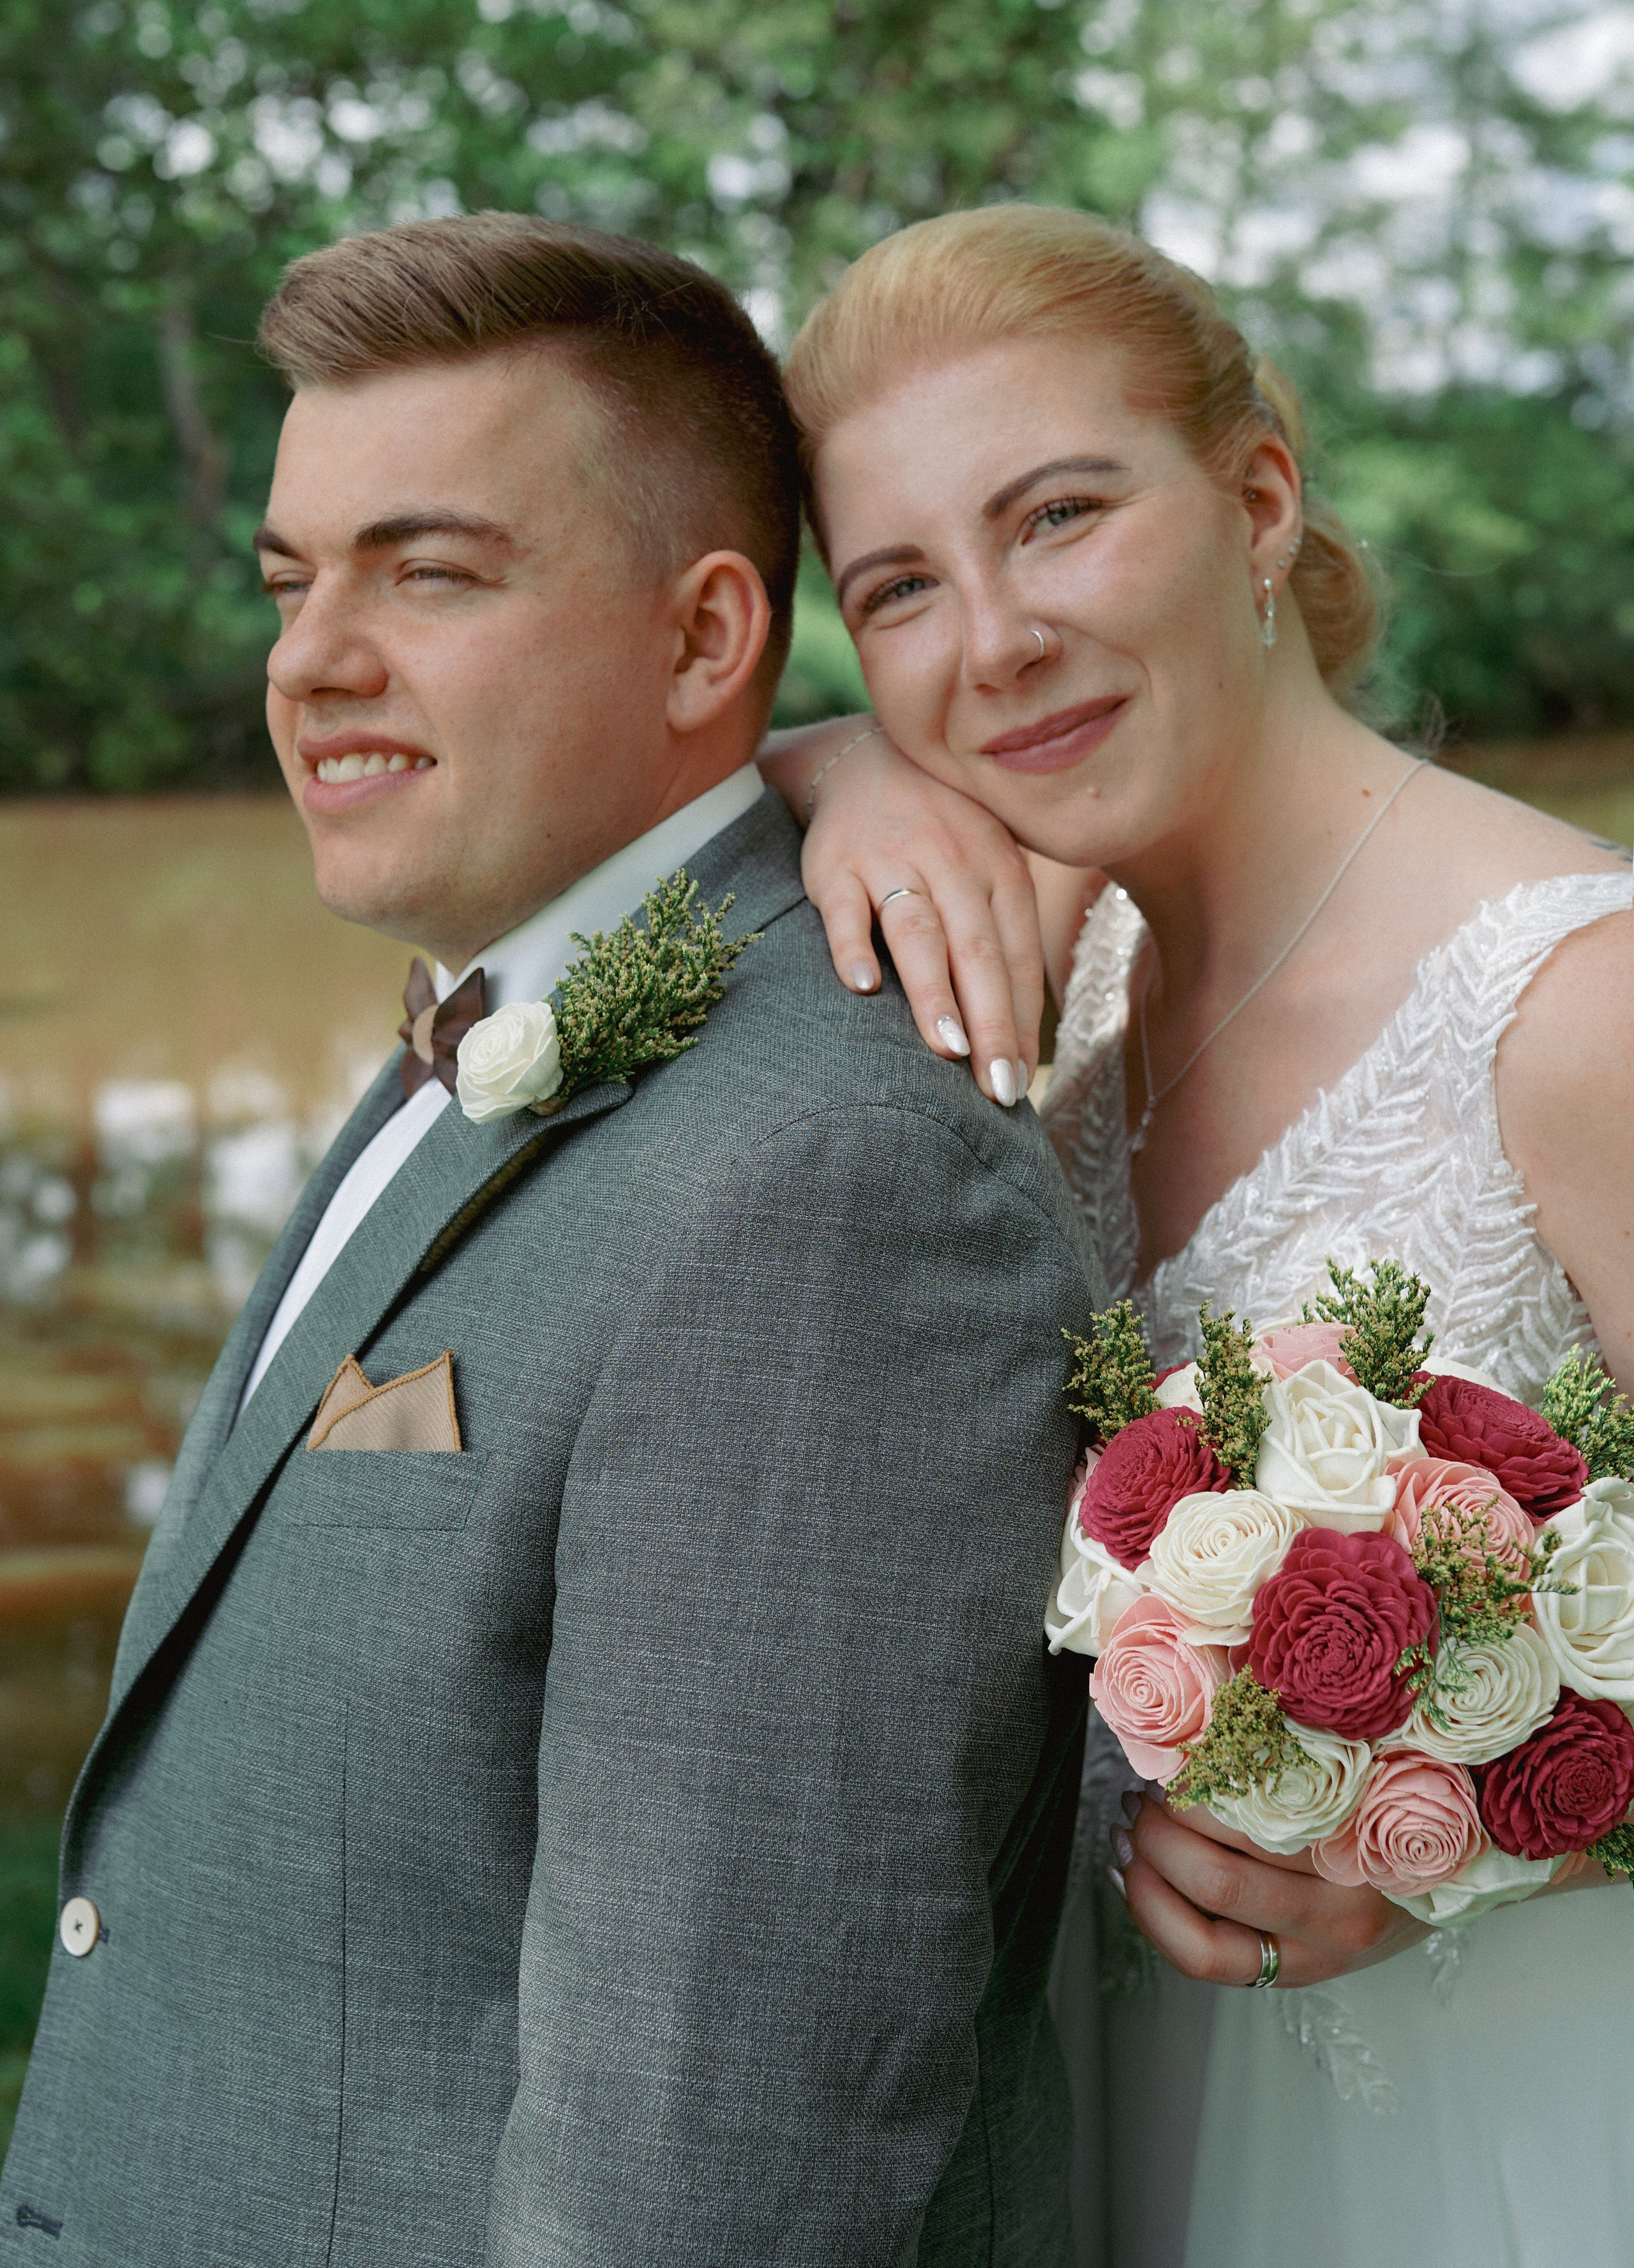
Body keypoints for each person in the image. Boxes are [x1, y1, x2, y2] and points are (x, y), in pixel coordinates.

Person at [0, 214, 1100, 2267]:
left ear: (703, 644)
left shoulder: (830, 1187)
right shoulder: (506, 1003)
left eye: (427, 572)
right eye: (291, 576)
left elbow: (710, 2160)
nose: (310, 657)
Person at [758, 203, 1634, 2268]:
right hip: (1123, 2118)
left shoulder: (1575, 1009)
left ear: (1257, 500)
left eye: (1057, 516)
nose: (991, 642)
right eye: (898, 590)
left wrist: (1525, 1833)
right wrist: (833, 776)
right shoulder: (1049, 967)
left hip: (1505, 2131)